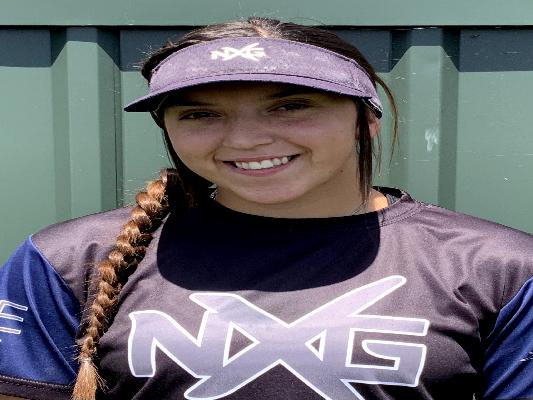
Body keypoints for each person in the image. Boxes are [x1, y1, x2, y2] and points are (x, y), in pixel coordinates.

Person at [0, 17, 531, 400]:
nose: (246, 139)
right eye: (200, 114)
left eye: (291, 106)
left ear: (366, 119)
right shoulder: (67, 259)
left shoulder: (499, 268)